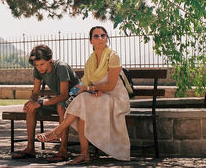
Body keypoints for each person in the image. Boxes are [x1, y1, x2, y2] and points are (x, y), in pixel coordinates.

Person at [36, 26, 130, 164]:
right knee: (81, 105)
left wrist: (90, 88)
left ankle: (58, 131)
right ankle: (84, 154)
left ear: (107, 38)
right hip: (100, 97)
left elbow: (110, 86)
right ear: (91, 40)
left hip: (116, 98)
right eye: (96, 36)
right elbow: (84, 82)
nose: (100, 39)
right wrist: (72, 93)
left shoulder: (113, 56)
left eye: (103, 35)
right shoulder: (90, 61)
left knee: (84, 98)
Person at [11, 44, 80, 162]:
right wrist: (32, 101)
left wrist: (41, 102)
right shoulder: (38, 69)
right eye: (37, 65)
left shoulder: (61, 67)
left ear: (50, 60)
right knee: (31, 108)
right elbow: (35, 92)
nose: (39, 68)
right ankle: (30, 148)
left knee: (60, 106)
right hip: (60, 100)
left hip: (75, 100)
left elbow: (64, 95)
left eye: (42, 64)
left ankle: (63, 151)